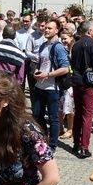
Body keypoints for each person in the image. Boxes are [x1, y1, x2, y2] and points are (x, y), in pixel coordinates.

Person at [32, 18, 70, 150]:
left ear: (56, 30)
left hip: (52, 88)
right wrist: (37, 71)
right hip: (39, 86)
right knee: (37, 114)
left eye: (50, 28)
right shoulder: (43, 45)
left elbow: (65, 68)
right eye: (45, 27)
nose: (46, 30)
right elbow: (41, 63)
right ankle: (43, 140)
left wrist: (47, 75)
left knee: (53, 118)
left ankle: (52, 145)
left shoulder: (58, 47)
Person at [70, 21, 93, 158]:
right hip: (89, 82)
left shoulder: (75, 44)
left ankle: (76, 143)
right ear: (89, 31)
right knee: (87, 115)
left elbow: (73, 63)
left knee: (77, 113)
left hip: (77, 81)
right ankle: (84, 147)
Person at [58, 28, 75, 140]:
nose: (63, 41)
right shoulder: (60, 49)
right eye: (62, 38)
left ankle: (70, 129)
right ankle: (60, 127)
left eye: (65, 38)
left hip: (70, 82)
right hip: (61, 81)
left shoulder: (73, 50)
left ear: (71, 38)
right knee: (60, 107)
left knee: (69, 107)